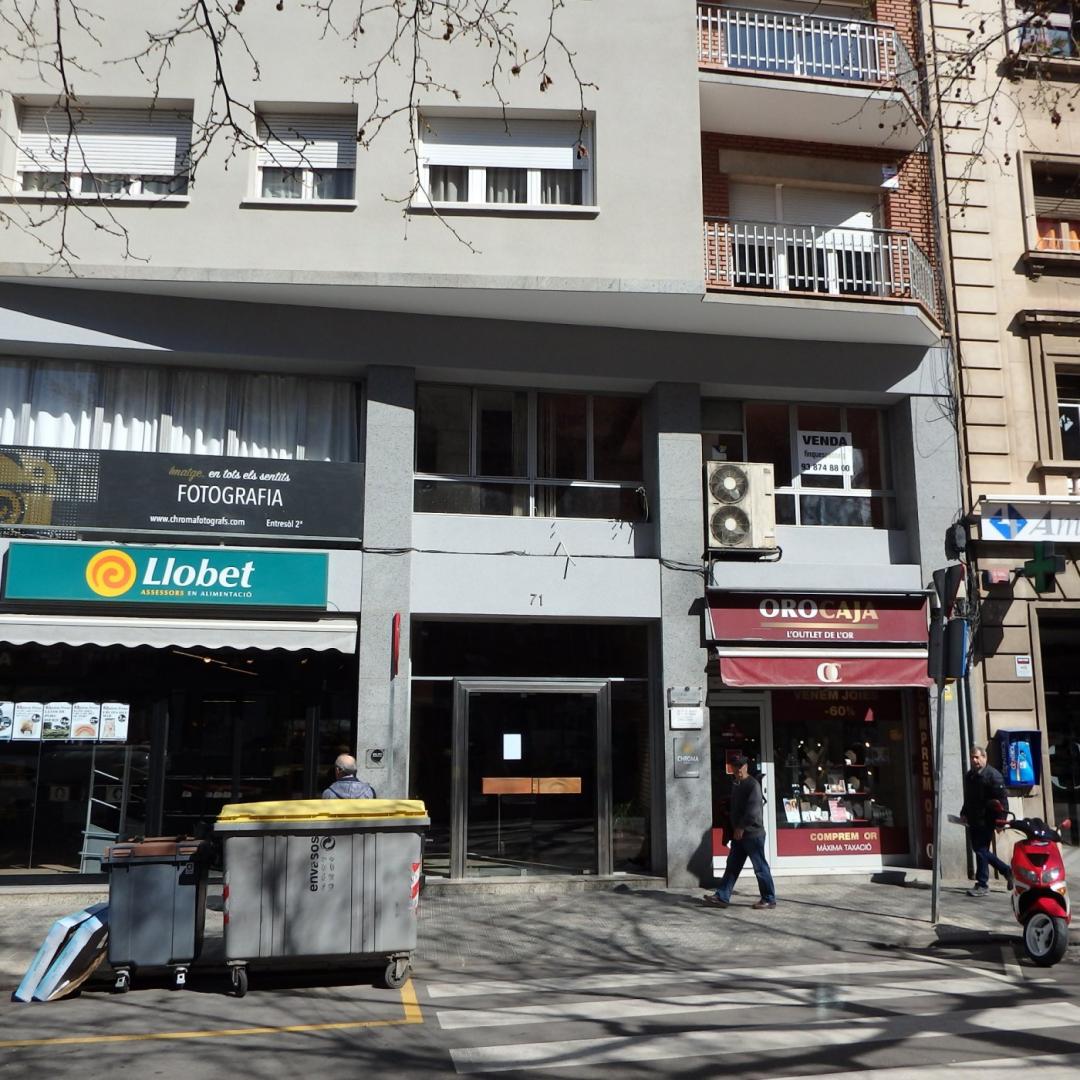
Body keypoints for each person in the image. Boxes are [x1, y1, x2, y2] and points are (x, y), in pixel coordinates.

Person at [703, 754, 776, 910]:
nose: (738, 770)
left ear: (746, 767)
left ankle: (769, 899)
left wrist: (741, 827)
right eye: (736, 767)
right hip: (739, 835)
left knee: (760, 868)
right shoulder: (736, 784)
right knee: (732, 866)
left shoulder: (752, 785)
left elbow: (753, 811)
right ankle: (722, 897)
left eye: (741, 767)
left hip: (752, 834)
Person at [960, 744, 1011, 897]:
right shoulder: (970, 776)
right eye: (972, 757)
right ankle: (1007, 871)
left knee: (981, 850)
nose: (974, 760)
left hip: (987, 820)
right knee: (980, 850)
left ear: (984, 757)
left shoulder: (993, 776)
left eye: (977, 757)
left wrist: (1001, 821)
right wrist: (964, 812)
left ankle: (982, 883)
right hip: (974, 819)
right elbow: (969, 798)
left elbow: (1003, 800)